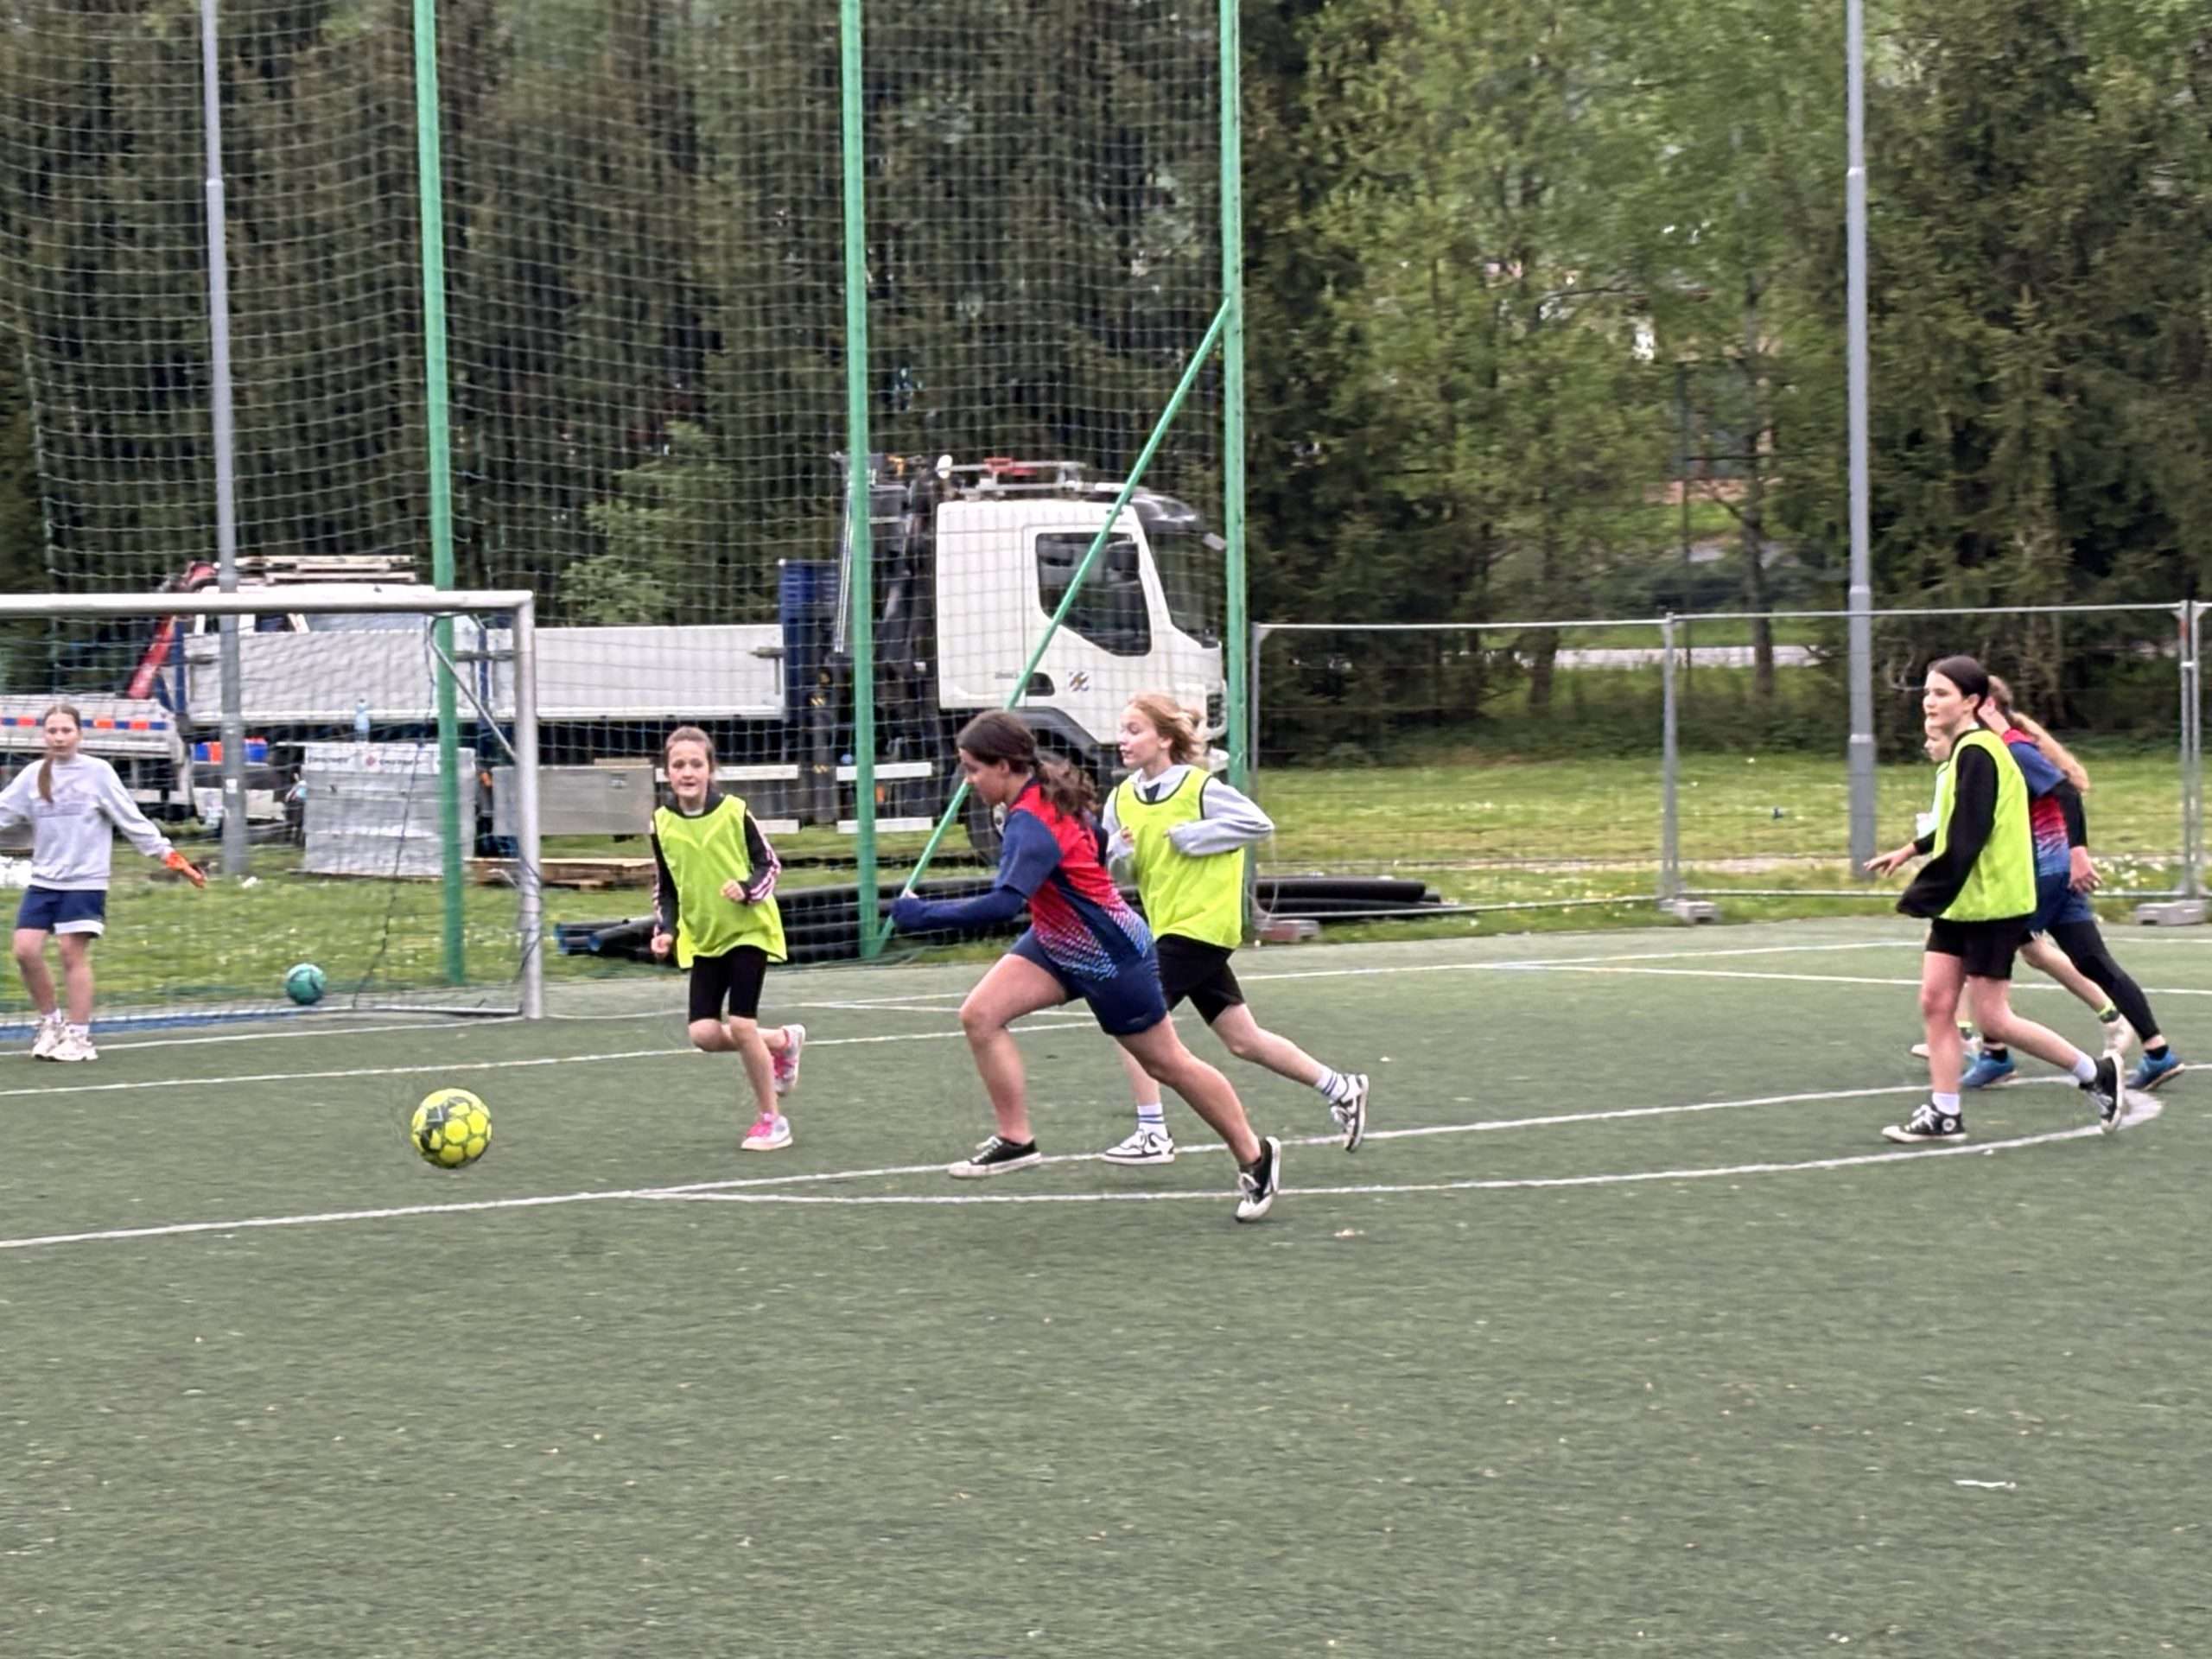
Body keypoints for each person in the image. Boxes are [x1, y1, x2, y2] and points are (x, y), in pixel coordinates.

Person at [889, 710, 1282, 1222]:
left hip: (1110, 953)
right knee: (980, 1015)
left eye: (973, 769)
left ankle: (1255, 1156)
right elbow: (1094, 842)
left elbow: (1003, 904)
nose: (968, 781)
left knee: (1168, 1063)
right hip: (1056, 940)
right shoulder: (1038, 796)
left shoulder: (1030, 822)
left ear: (1005, 766)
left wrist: (921, 915)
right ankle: (1016, 1139)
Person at [1096, 693, 1368, 1165]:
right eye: (1122, 730)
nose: (1123, 739)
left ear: (1165, 739)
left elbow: (1257, 823)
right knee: (1243, 1040)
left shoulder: (1199, 788)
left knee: (1132, 1015)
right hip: (1165, 928)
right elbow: (1115, 873)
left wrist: (1195, 835)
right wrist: (1117, 855)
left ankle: (1152, 1132)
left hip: (1204, 925)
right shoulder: (1120, 800)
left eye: (1134, 730)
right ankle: (1341, 1087)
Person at [1865, 657, 2121, 1143]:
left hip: (1994, 904)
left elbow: (1971, 832)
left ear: (1971, 702)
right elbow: (1954, 825)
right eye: (1927, 692)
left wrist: (1923, 894)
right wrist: (1912, 851)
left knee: (1992, 1018)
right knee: (1936, 1001)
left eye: (1941, 693)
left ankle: (2094, 1073)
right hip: (1963, 902)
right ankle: (1945, 1112)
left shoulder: (1981, 752)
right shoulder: (1962, 753)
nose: (1929, 701)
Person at [1962, 677, 2183, 1092]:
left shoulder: (2012, 750)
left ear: (1987, 705)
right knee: (2093, 962)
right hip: (2057, 874)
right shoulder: (2003, 749)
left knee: (1981, 952)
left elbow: (2065, 792)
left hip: (2043, 876)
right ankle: (2158, 1052)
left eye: (1963, 701)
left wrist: (2078, 851)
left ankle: (1994, 1054)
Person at [1, 704, 205, 1062]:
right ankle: (51, 1024)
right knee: (25, 950)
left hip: (85, 880)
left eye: (66, 730)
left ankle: (79, 1037)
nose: (59, 738)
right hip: (45, 881)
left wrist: (172, 858)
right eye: (52, 731)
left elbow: (132, 820)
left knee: (71, 952)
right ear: (44, 736)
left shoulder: (98, 773)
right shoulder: (33, 776)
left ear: (79, 734)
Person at [648, 725, 804, 1152]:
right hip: (704, 937)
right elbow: (667, 887)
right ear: (667, 772)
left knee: (740, 1024)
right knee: (703, 1034)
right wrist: (666, 930)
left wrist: (747, 889)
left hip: (749, 930)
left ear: (710, 769)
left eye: (696, 764)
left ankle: (772, 1120)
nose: (687, 772)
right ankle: (782, 1042)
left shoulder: (735, 812)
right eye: (678, 765)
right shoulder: (661, 823)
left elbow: (769, 865)